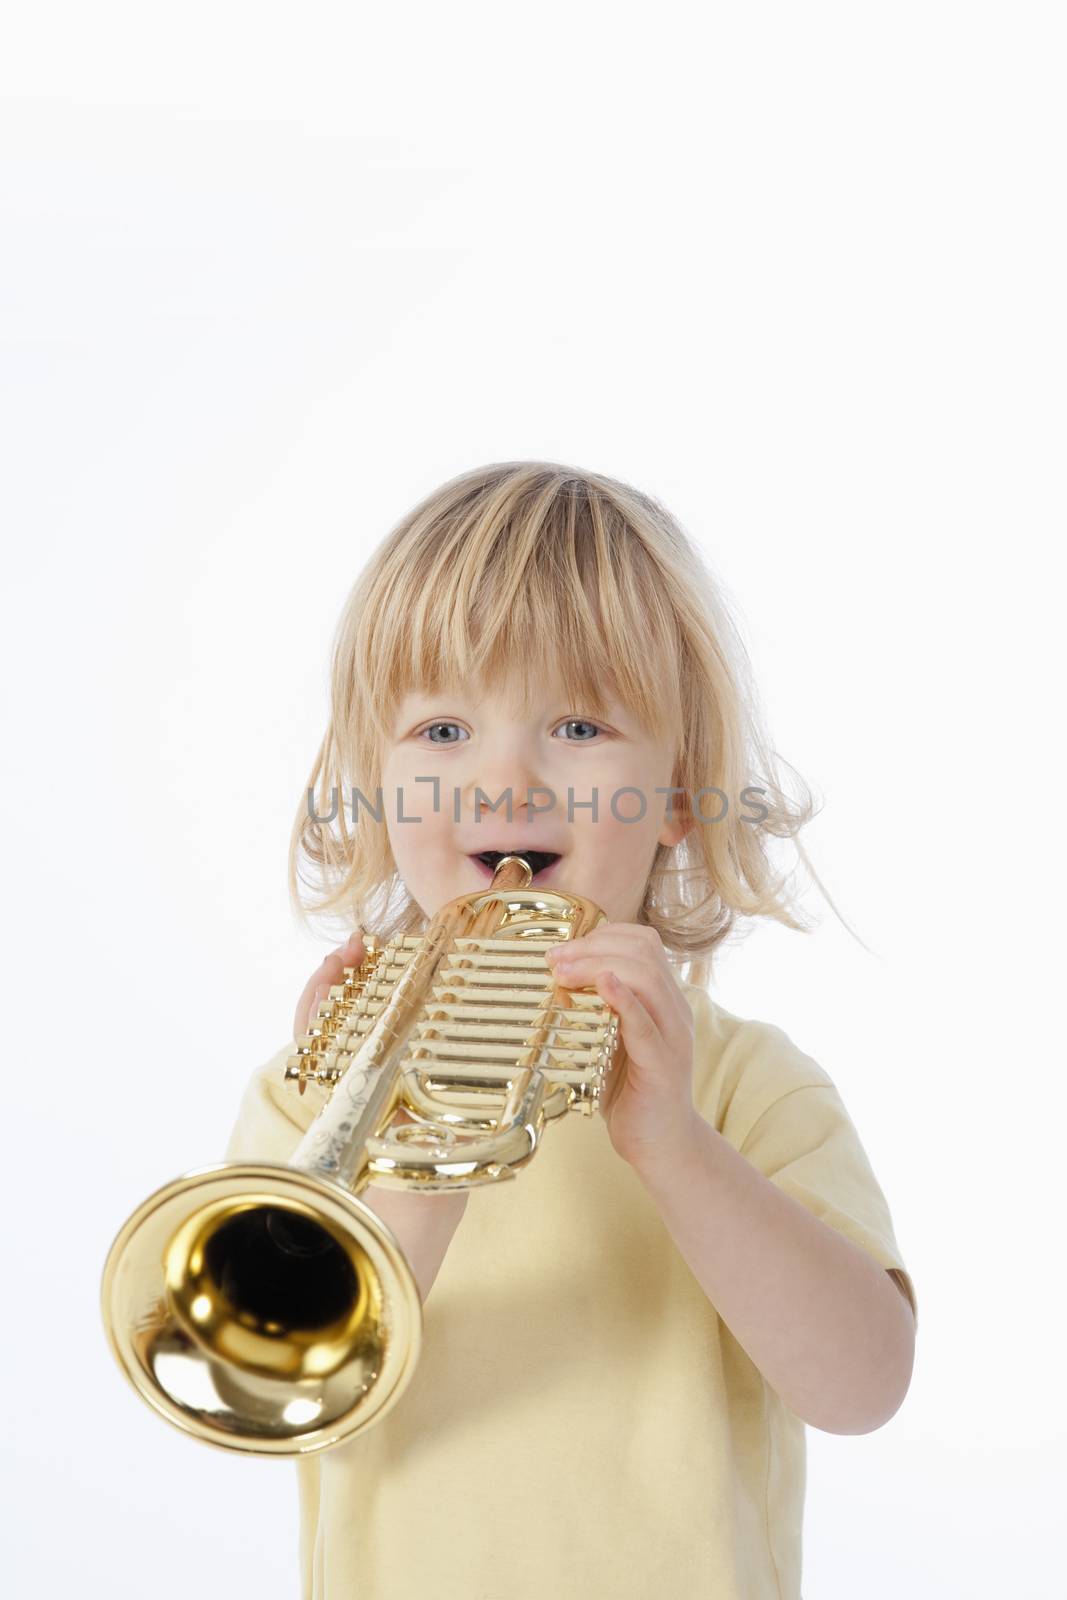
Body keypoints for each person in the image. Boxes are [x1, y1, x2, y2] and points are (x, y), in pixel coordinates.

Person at [225, 460, 918, 1599]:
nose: (503, 775)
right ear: (376, 786)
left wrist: (677, 1148)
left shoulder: (742, 1082)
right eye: (440, 727)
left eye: (579, 724)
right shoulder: (314, 1099)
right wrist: (408, 1138)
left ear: (682, 794)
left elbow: (861, 1387)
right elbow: (290, 1398)